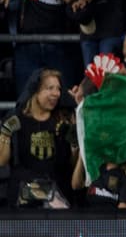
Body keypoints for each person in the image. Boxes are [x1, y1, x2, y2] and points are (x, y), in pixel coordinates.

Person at [0, 69, 77, 209]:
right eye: (49, 88)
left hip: (58, 192)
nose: (56, 93)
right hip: (23, 193)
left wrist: (74, 143)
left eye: (58, 89)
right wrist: (5, 133)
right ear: (35, 90)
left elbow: (72, 165)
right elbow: (1, 161)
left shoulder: (63, 120)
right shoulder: (16, 118)